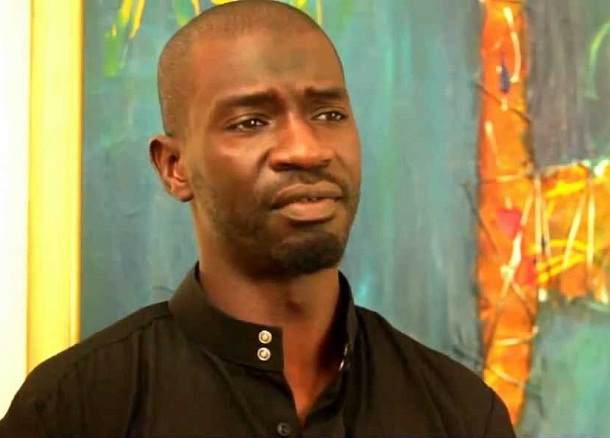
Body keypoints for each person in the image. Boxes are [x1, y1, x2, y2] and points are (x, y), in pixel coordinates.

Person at [0, 1, 515, 436]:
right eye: (251, 122)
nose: (306, 149)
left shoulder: (462, 415)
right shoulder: (73, 410)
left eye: (329, 114)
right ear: (174, 167)